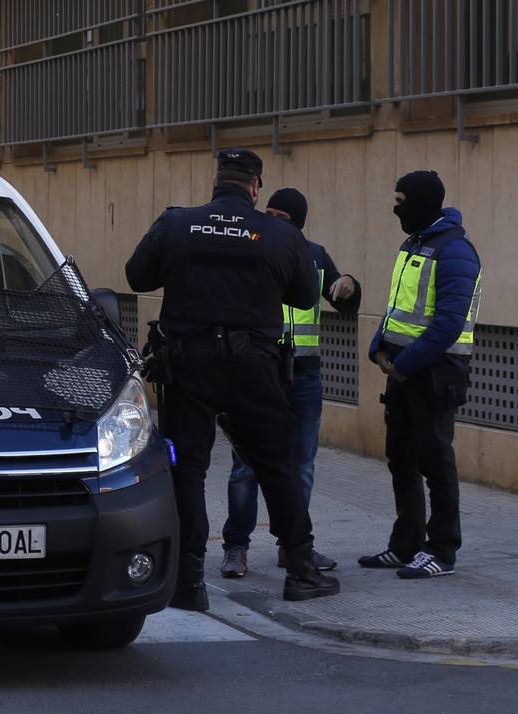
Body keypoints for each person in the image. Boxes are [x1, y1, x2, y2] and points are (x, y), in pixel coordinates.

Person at [125, 148, 338, 610]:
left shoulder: (177, 223)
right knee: (278, 466)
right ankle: (300, 568)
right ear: (256, 187)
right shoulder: (279, 234)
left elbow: (137, 276)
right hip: (255, 369)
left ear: (216, 180)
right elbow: (305, 296)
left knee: (189, 470)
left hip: (188, 367)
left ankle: (188, 581)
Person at [220, 188, 362, 578]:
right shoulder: (247, 250)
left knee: (301, 465)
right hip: (259, 371)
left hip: (304, 373)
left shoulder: (314, 255)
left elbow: (342, 296)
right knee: (246, 467)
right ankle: (236, 547)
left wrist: (348, 283)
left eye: (280, 217)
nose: (270, 222)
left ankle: (294, 546)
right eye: (268, 213)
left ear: (297, 223)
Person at [359, 171, 481, 579]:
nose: (396, 208)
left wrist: (404, 364)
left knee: (436, 461)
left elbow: (448, 323)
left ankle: (442, 550)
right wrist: (377, 345)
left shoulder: (456, 251)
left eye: (400, 200)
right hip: (402, 371)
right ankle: (405, 544)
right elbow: (396, 307)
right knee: (402, 460)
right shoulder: (414, 243)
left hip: (433, 373)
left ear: (423, 202)